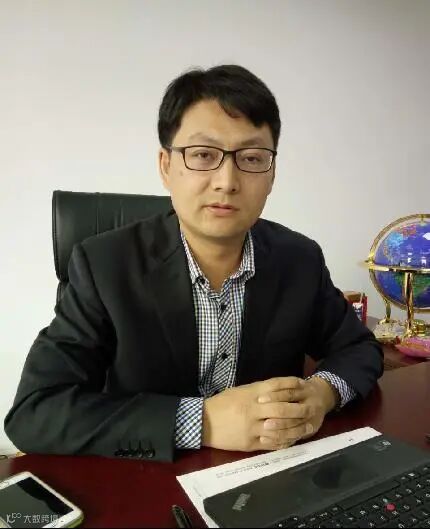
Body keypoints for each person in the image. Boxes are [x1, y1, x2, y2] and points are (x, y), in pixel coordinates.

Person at [4, 65, 383, 462]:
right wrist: (201, 422)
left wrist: (322, 393)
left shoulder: (299, 259)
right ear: (166, 166)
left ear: (271, 174)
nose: (226, 181)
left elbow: (359, 348)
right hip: (147, 478)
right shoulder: (104, 266)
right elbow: (35, 412)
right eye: (203, 155)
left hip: (266, 472)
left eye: (252, 158)